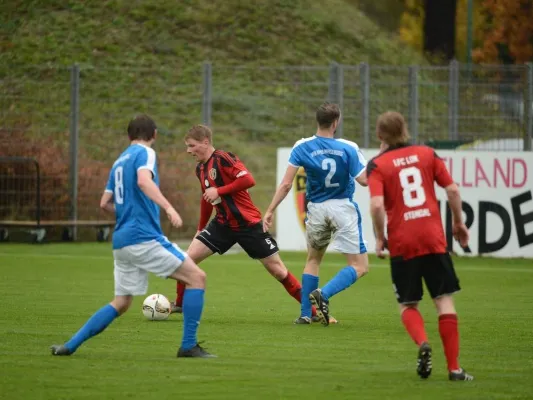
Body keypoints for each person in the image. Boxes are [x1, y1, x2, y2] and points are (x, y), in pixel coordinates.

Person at [50, 115, 215, 358]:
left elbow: (105, 203)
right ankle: (188, 345)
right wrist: (168, 208)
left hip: (122, 240)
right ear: (154, 135)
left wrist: (128, 213)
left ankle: (69, 346)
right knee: (197, 277)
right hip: (143, 236)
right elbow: (143, 181)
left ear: (129, 135)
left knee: (121, 302)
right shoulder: (145, 153)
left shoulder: (119, 162)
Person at [170, 124, 327, 323]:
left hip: (248, 224)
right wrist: (200, 228)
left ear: (205, 142)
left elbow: (248, 180)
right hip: (222, 225)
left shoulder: (224, 159)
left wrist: (219, 191)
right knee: (187, 260)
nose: (188, 151)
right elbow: (206, 198)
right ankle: (180, 304)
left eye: (192, 146)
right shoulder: (200, 168)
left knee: (278, 270)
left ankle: (313, 312)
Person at [367, 111, 473, 381]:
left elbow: (377, 204)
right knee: (443, 300)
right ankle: (454, 369)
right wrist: (458, 223)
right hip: (433, 238)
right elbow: (452, 191)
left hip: (403, 243)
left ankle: (423, 343)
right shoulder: (428, 154)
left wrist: (380, 236)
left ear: (380, 135)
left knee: (408, 303)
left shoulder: (378, 164)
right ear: (405, 129)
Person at [263, 102, 369, 326]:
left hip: (317, 210)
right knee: (359, 266)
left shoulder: (302, 146)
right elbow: (364, 180)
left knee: (313, 260)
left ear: (318, 121)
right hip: (342, 208)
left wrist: (270, 210)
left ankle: (305, 313)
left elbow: (285, 185)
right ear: (336, 122)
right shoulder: (349, 147)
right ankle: (325, 294)